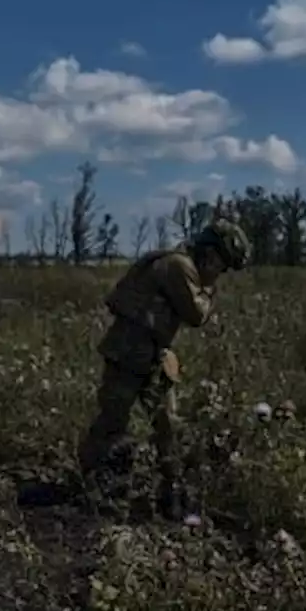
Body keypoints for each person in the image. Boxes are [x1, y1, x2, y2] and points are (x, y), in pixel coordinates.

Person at [77, 218, 250, 519]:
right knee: (113, 423)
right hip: (129, 353)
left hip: (152, 355)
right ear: (210, 254)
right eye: (221, 265)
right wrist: (209, 290)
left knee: (167, 426)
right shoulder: (178, 267)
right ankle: (93, 487)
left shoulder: (181, 266)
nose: (219, 273)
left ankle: (171, 491)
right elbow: (197, 314)